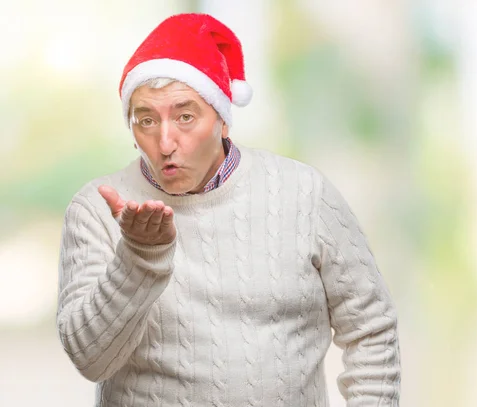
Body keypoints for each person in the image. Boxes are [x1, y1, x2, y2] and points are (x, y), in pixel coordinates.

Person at [56, 13, 401, 407]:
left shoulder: (305, 193)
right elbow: (90, 361)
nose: (165, 142)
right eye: (146, 120)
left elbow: (370, 329)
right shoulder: (95, 209)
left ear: (222, 120)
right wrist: (139, 258)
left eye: (185, 117)